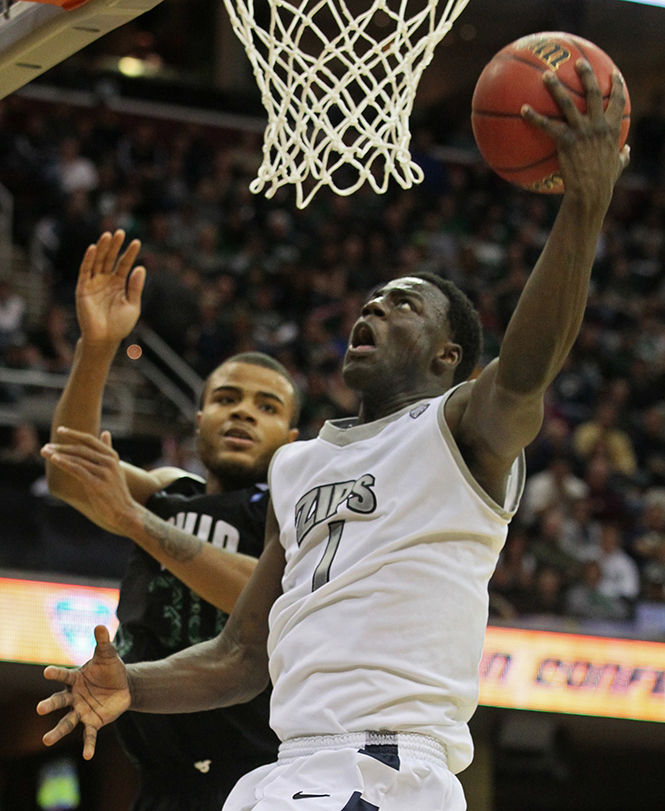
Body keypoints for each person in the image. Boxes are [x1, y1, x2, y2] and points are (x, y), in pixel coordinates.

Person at [37, 61, 629, 810]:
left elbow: (526, 367)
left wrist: (585, 201)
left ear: (449, 358)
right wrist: (134, 685)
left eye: (404, 304)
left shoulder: (462, 429)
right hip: (287, 770)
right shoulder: (296, 465)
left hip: (383, 766)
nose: (376, 307)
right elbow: (242, 655)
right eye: (373, 298)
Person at [40, 231, 300, 809]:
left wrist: (135, 521)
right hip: (161, 775)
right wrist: (99, 345)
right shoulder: (169, 490)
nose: (243, 413)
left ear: (292, 438)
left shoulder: (289, 508)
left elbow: (263, 594)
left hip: (255, 776)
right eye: (227, 398)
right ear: (200, 415)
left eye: (267, 407)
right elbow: (67, 470)